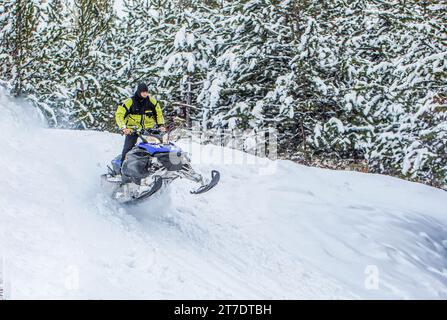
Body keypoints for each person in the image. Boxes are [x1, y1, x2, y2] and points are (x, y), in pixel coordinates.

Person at [115, 82, 166, 165]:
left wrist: (161, 125)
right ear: (139, 92)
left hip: (149, 131)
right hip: (133, 130)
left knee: (159, 147)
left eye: (146, 92)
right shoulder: (129, 102)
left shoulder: (152, 102)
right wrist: (124, 128)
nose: (145, 94)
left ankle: (160, 165)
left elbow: (159, 114)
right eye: (143, 92)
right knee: (128, 149)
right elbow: (119, 115)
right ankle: (122, 169)